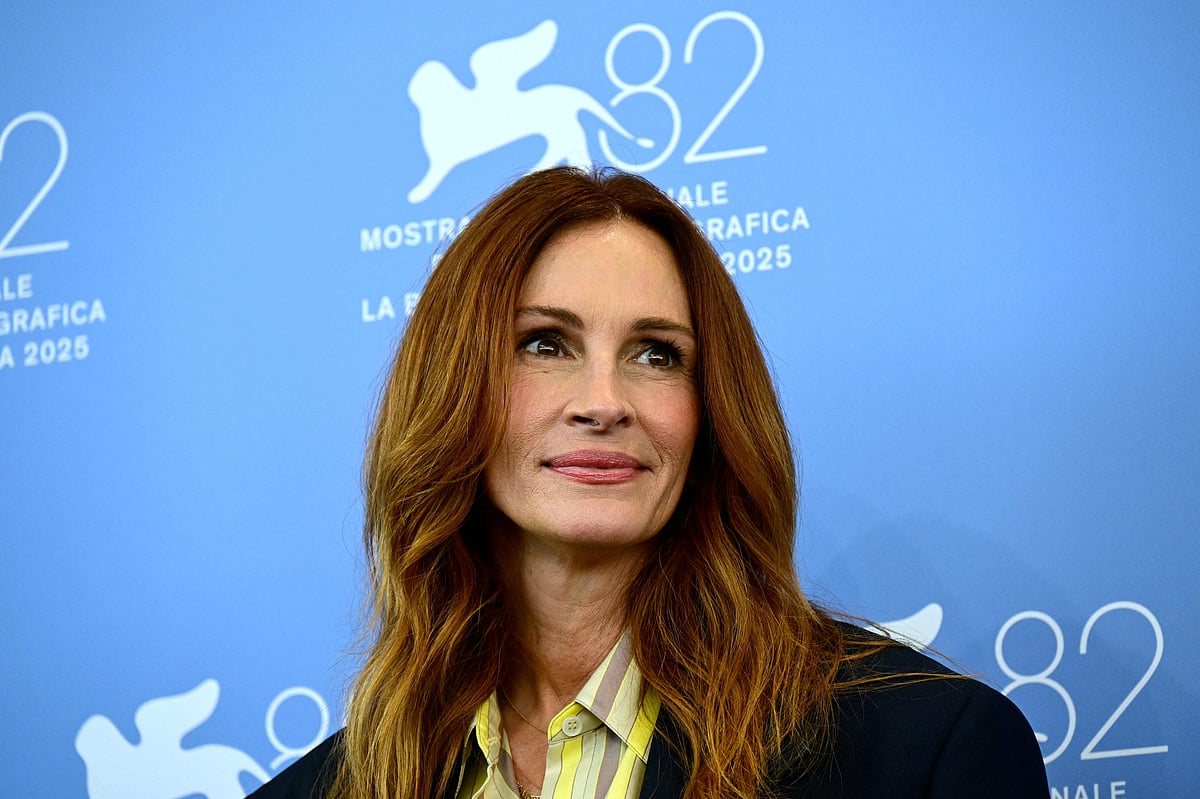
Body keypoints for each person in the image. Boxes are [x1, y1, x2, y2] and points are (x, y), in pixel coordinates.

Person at [249, 166, 1049, 799]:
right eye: (544, 343)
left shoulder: (921, 750)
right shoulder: (323, 789)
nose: (604, 402)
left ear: (711, 414)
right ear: (453, 389)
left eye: (656, 353)